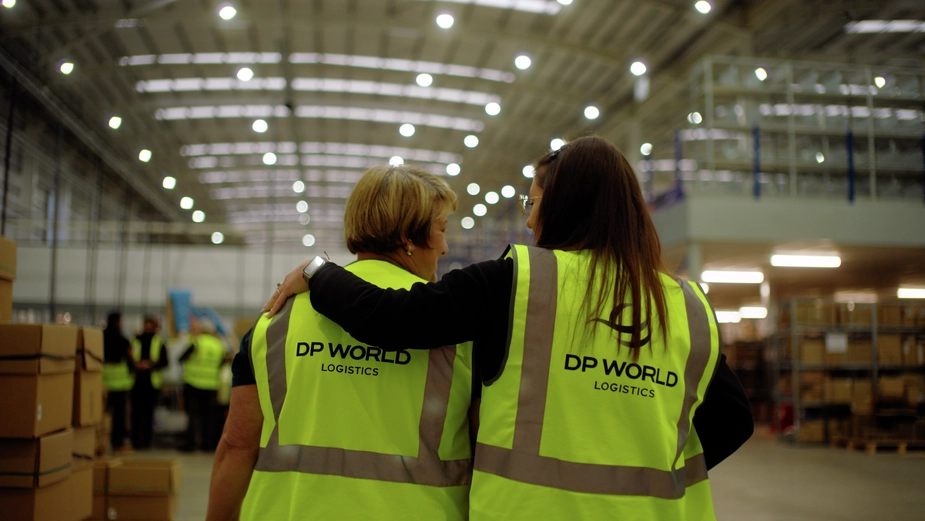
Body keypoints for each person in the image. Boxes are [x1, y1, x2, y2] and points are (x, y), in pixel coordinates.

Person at [268, 136, 754, 520]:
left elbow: (391, 317)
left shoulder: (519, 282)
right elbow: (733, 418)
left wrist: (317, 271)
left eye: (534, 201)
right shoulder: (684, 304)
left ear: (564, 207)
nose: (528, 219)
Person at [207, 165, 475, 521]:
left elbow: (237, 446)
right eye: (442, 229)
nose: (444, 247)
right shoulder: (455, 329)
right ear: (412, 235)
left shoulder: (275, 321)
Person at [180, 316, 226, 452]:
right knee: (208, 417)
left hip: (193, 384)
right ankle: (208, 445)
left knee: (193, 416)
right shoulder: (219, 344)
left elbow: (181, 358)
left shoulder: (196, 342)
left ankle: (191, 445)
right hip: (211, 385)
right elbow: (223, 362)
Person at [131, 315, 168, 450]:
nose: (147, 326)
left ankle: (146, 442)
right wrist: (137, 364)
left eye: (150, 324)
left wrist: (151, 365)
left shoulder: (159, 341)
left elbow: (165, 361)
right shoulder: (135, 340)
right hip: (137, 381)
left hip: (151, 383)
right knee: (136, 413)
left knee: (148, 414)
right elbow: (129, 358)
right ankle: (136, 441)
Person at [102, 311, 133, 452]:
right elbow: (130, 358)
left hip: (103, 382)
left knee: (102, 414)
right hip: (120, 383)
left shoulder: (101, 337)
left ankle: (100, 442)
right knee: (119, 416)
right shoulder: (123, 339)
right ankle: (118, 443)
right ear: (118, 322)